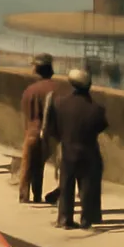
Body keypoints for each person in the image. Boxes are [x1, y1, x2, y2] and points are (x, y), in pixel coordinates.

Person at [45, 67, 108, 230]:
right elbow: (101, 126)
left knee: (66, 185)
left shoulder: (60, 103)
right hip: (88, 150)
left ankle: (65, 219)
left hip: (68, 150)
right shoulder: (97, 108)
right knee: (88, 185)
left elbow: (53, 129)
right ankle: (87, 218)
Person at [18, 54, 58, 204]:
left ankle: (24, 196)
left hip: (32, 131)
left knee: (28, 165)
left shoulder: (30, 90)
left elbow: (25, 111)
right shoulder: (57, 88)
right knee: (39, 164)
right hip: (51, 134)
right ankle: (37, 194)